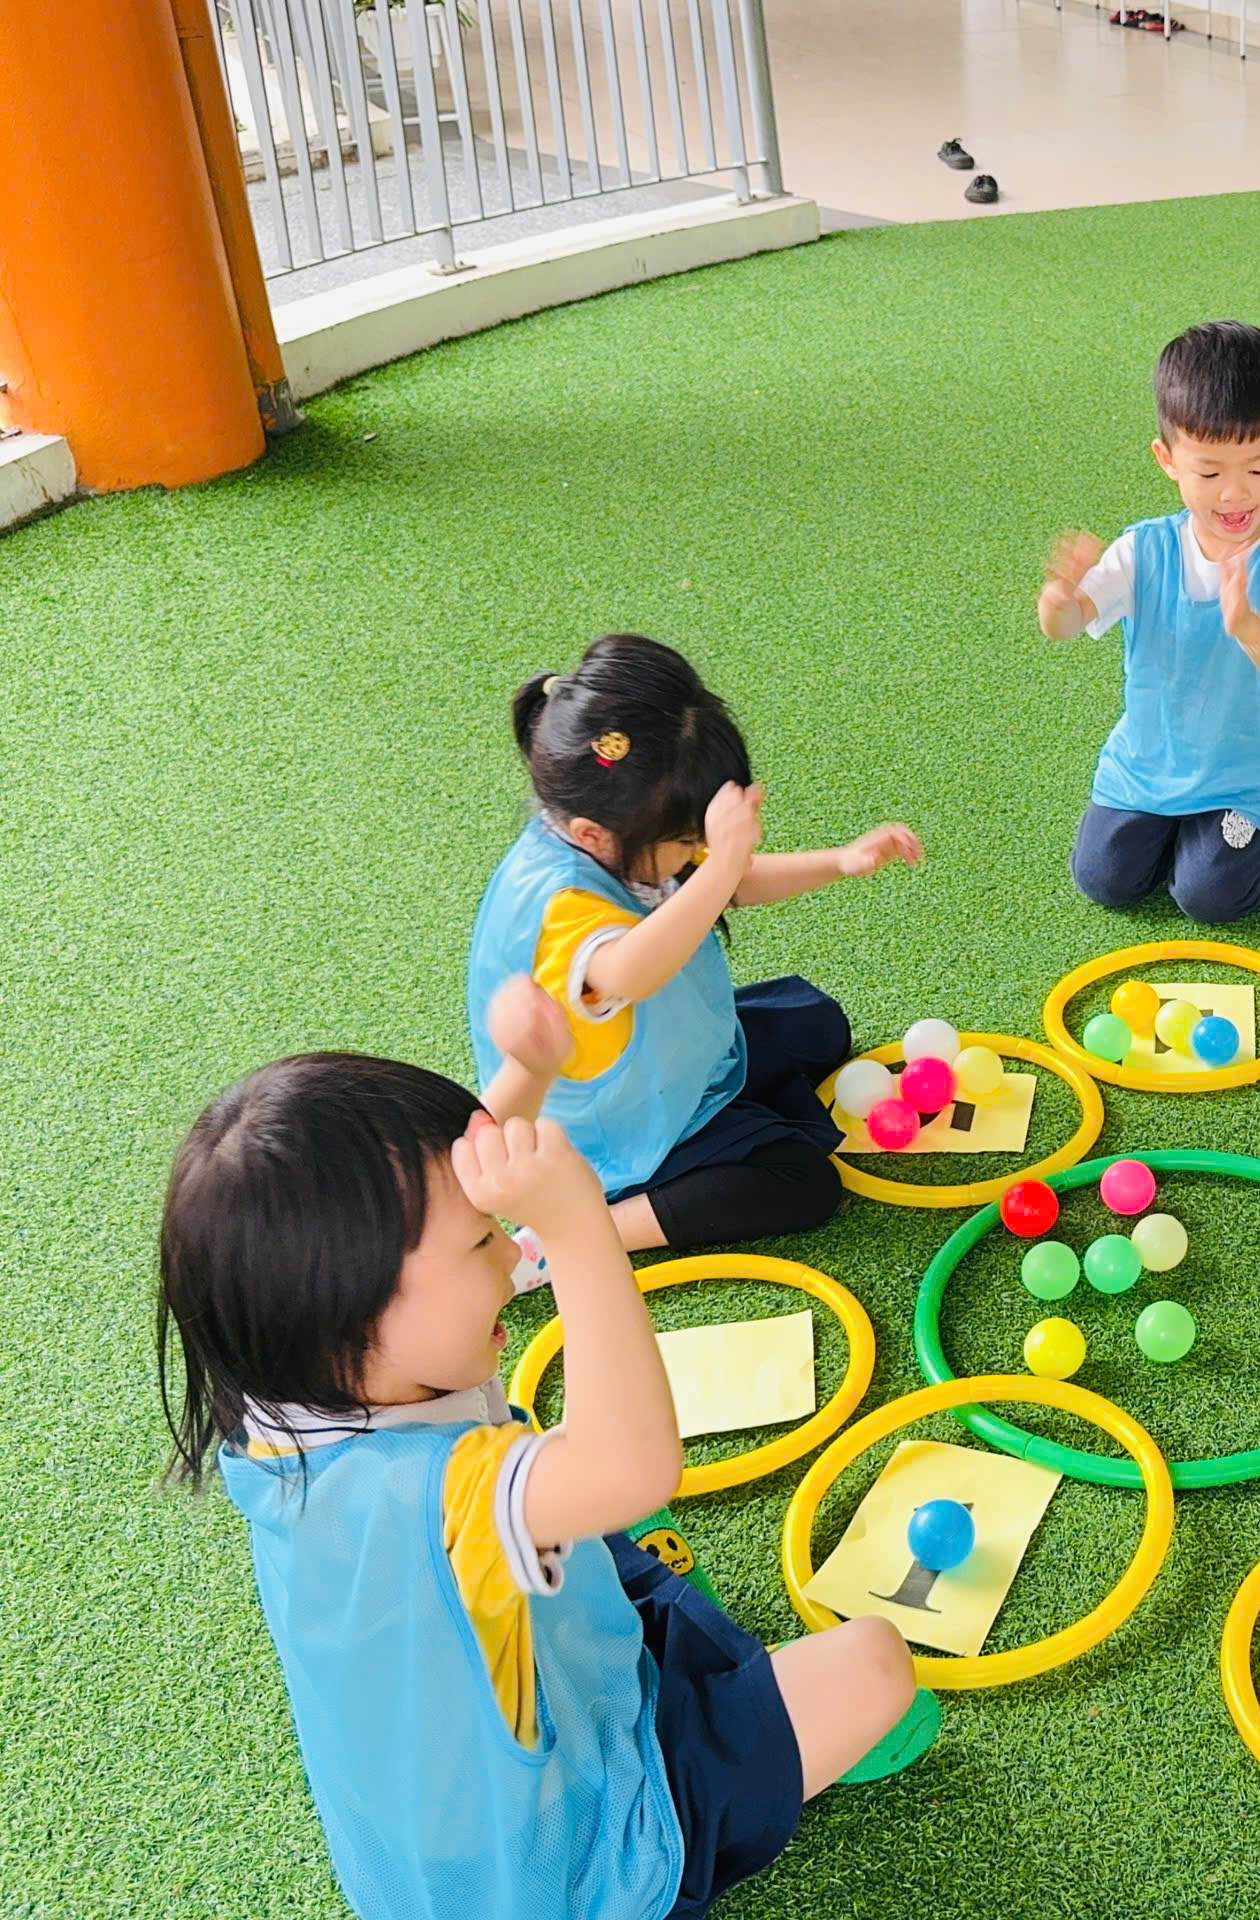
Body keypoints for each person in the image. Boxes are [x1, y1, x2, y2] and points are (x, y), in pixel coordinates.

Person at [156, 1019, 936, 1920]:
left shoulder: (291, 1381)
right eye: (480, 1243)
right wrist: (575, 1230)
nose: (509, 1252)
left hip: (469, 1822)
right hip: (578, 1864)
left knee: (611, 1529)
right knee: (875, 1665)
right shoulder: (437, 1499)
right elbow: (633, 1464)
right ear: (352, 1312)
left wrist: (528, 1073)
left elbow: (438, 1197)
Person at [468, 633, 920, 1251]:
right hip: (615, 1131)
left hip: (668, 1059)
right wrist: (723, 861)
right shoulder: (564, 907)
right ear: (592, 835)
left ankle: (730, 1119)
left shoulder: (624, 826)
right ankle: (565, 1238)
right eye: (687, 843)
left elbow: (721, 883)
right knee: (803, 1182)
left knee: (819, 1023)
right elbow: (630, 973)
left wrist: (839, 861)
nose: (697, 854)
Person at [1038, 320, 1260, 922]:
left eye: (1257, 469)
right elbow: (1069, 624)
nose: (1234, 494)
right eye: (1209, 473)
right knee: (1103, 880)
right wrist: (1058, 600)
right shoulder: (1143, 549)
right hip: (1146, 764)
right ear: (1167, 459)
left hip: (1245, 775)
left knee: (1209, 897)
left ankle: (1242, 839)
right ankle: (1176, 834)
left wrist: (1250, 627)